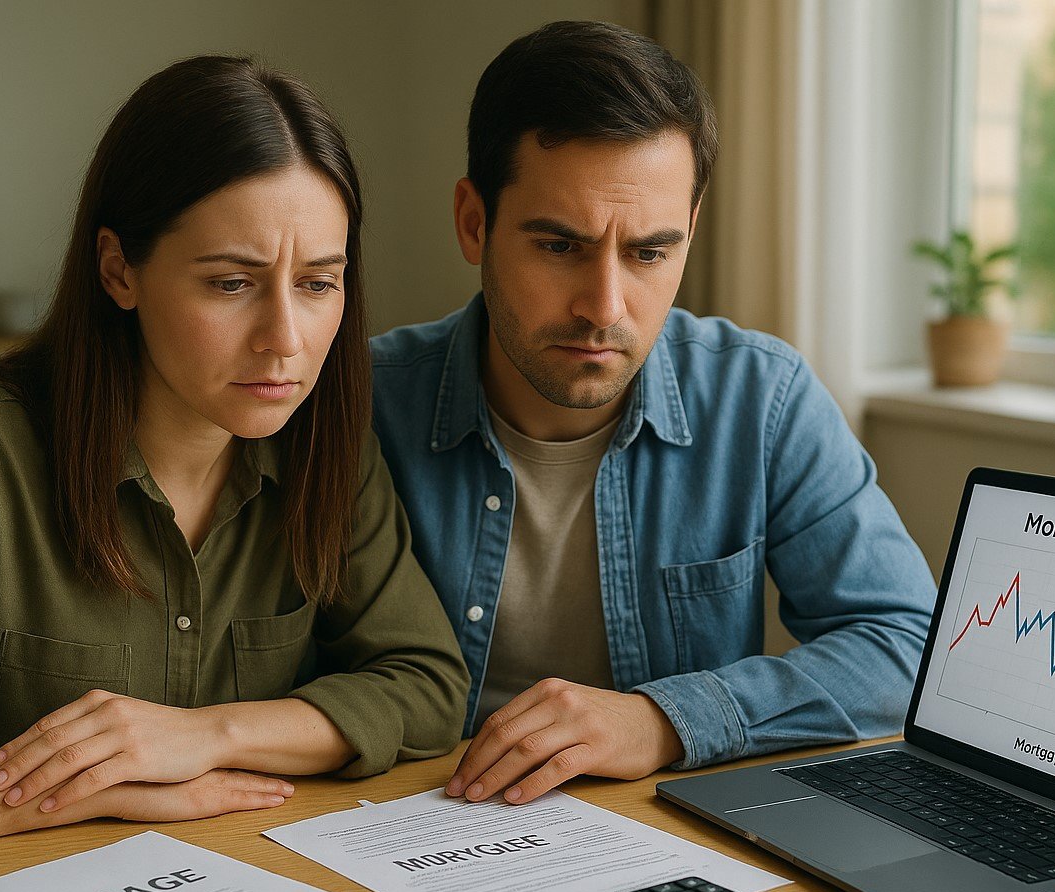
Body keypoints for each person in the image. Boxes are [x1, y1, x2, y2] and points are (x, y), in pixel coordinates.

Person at [0, 56, 468, 862]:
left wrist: (209, 736)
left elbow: (427, 687)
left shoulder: (328, 450)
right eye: (233, 283)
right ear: (119, 270)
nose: (286, 340)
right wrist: (88, 789)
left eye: (318, 284)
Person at [370, 21, 938, 807]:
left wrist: (663, 720)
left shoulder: (760, 399)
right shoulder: (362, 405)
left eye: (648, 253)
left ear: (690, 234)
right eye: (560, 246)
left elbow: (908, 647)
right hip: (408, 827)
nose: (604, 307)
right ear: (475, 222)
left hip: (663, 838)